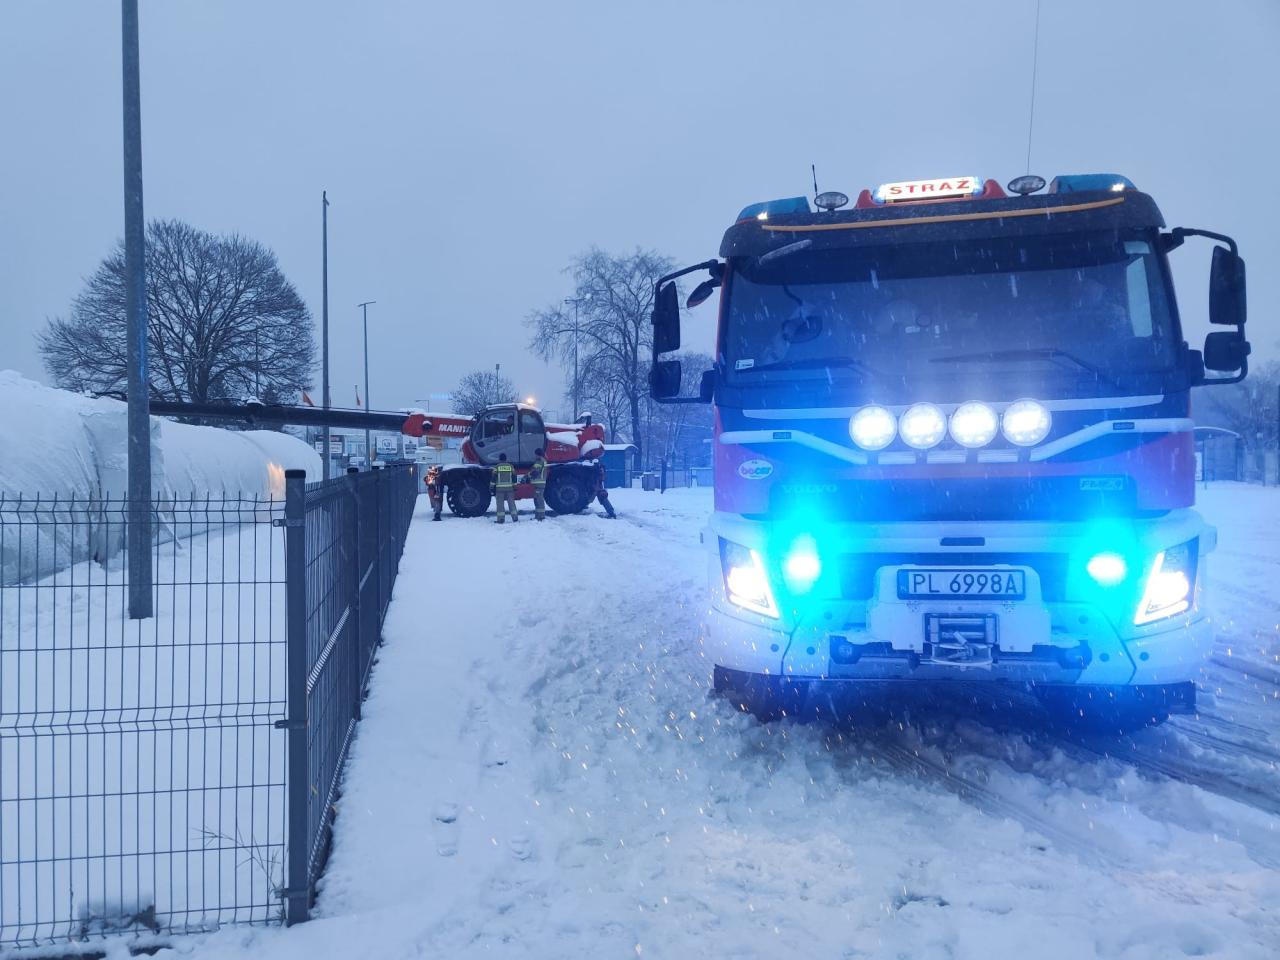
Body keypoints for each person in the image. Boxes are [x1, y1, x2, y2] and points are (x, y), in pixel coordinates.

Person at [492, 453, 518, 523]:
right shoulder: (511, 466)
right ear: (506, 459)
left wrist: (491, 487)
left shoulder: (496, 467)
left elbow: (493, 478)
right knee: (511, 503)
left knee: (500, 504)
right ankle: (515, 517)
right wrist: (515, 486)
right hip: (509, 488)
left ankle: (501, 519)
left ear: (499, 459)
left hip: (499, 489)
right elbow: (514, 477)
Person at [528, 447, 548, 521]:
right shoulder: (541, 460)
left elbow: (535, 472)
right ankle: (537, 516)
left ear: (538, 454)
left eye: (535, 454)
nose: (535, 456)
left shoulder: (540, 461)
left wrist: (528, 476)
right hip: (538, 483)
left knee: (539, 499)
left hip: (539, 483)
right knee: (536, 499)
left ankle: (541, 516)